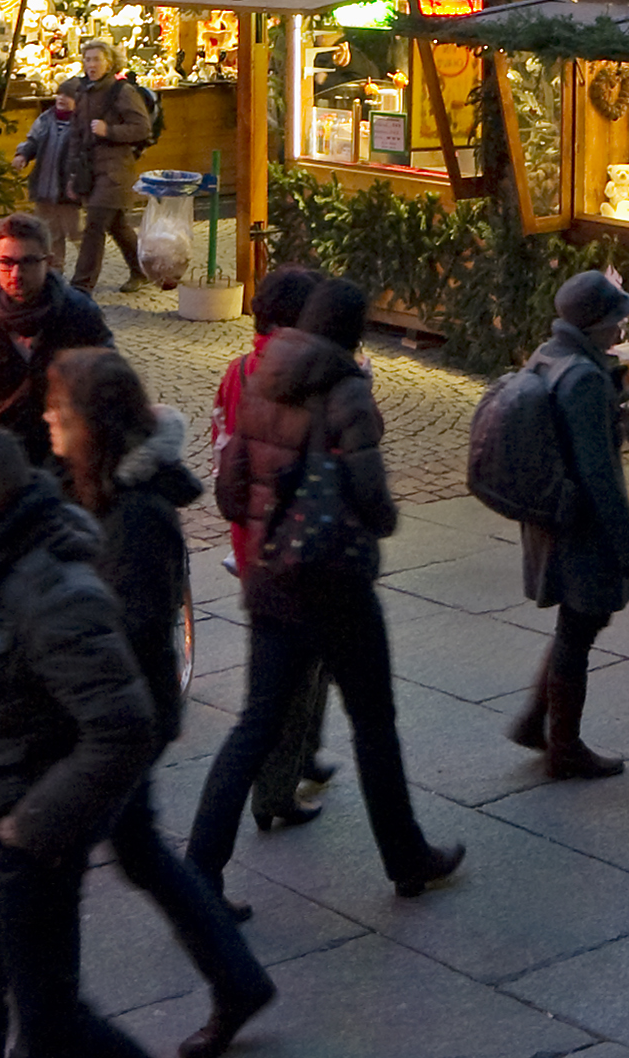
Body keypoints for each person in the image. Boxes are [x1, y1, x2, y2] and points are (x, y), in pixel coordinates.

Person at [185, 277, 463, 897]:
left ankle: (201, 870)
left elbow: (230, 492)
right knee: (373, 722)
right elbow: (376, 504)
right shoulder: (347, 393)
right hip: (336, 586)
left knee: (255, 724)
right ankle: (405, 855)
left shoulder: (258, 379)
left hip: (270, 581)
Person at [0, 429, 159, 1058]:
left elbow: (123, 726)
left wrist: (35, 823)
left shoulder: (55, 593)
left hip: (21, 846)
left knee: (50, 1028)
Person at [47, 350, 277, 1056]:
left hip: (123, 718)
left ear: (95, 422)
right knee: (141, 852)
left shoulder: (139, 512)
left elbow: (137, 618)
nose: (50, 418)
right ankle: (235, 982)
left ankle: (52, 1012)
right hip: (116, 712)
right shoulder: (100, 487)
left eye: (61, 409)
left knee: (56, 861)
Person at [210, 268, 338, 837]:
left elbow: (223, 460)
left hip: (255, 544)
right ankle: (275, 792)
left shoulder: (238, 372)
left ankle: (302, 756)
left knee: (311, 662)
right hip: (302, 551)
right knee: (290, 677)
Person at [508, 269, 629, 778]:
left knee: (577, 620)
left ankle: (535, 719)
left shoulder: (550, 355)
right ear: (596, 325)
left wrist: (613, 386)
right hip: (581, 521)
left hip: (550, 512)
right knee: (580, 625)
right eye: (615, 321)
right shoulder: (585, 380)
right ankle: (563, 746)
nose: (620, 330)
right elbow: (600, 476)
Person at [0, 214, 114, 480]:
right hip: (0, 464)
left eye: (28, 262)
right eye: (6, 262)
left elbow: (112, 383)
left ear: (48, 261)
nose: (15, 274)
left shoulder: (80, 314)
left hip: (67, 464)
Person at [37, 40, 164, 292]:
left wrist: (110, 131)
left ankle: (81, 286)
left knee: (94, 224)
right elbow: (77, 134)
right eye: (87, 59)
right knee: (117, 224)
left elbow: (142, 128)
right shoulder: (83, 90)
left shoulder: (123, 92)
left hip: (116, 170)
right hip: (91, 170)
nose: (91, 64)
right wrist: (73, 173)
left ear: (109, 62)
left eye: (96, 59)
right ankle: (141, 269)